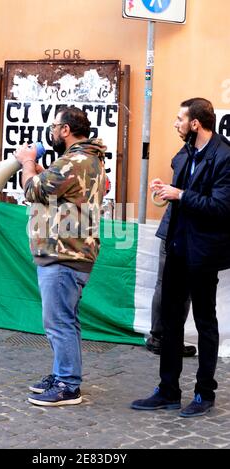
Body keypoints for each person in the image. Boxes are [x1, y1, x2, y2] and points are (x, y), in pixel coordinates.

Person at [131, 97, 230, 417]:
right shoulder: (185, 153)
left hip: (203, 252)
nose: (175, 123)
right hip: (176, 246)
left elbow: (221, 207)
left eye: (179, 119)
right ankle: (168, 390)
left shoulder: (225, 156)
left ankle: (205, 394)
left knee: (205, 323)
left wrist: (180, 194)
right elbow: (180, 193)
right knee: (170, 322)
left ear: (196, 124)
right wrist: (165, 189)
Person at [15, 106, 106, 406]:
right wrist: (42, 171)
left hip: (64, 254)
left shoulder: (73, 161)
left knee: (58, 322)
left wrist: (28, 162)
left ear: (65, 130)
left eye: (55, 126)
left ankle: (68, 385)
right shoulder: (86, 159)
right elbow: (60, 191)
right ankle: (61, 374)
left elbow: (32, 190)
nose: (52, 132)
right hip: (72, 252)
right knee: (66, 319)